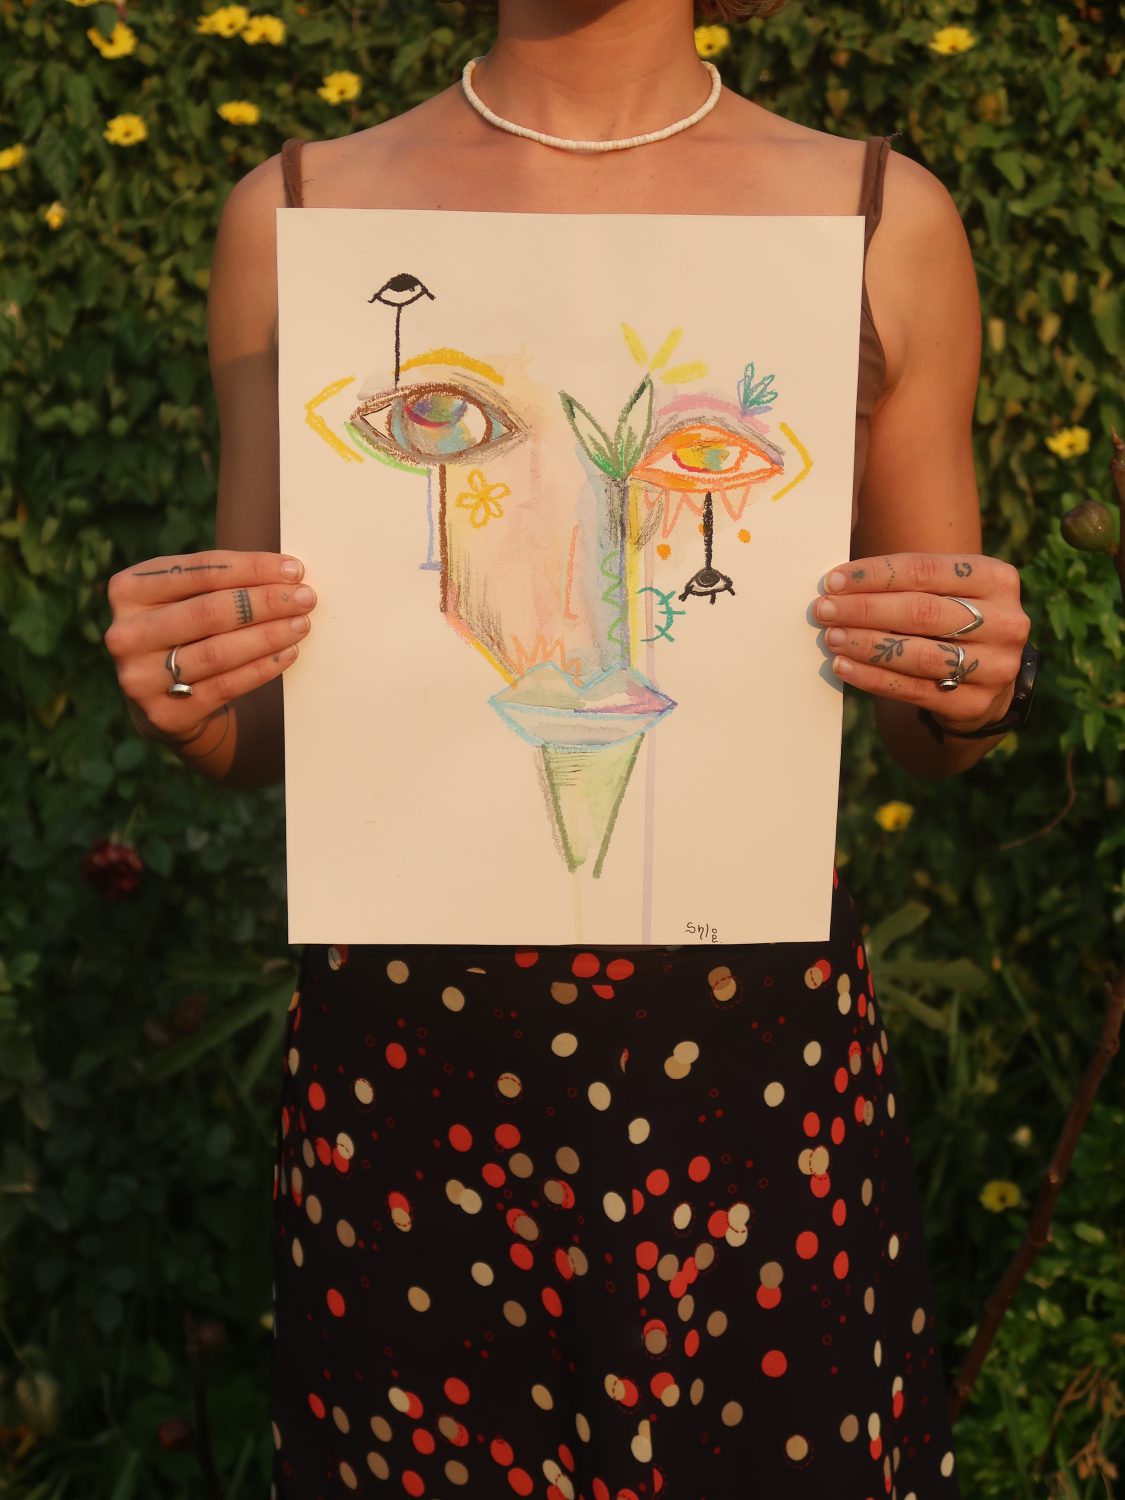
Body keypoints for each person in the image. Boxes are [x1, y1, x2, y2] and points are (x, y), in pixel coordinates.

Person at [103, 1, 1034, 1494]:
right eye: (442, 425)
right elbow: (278, 719)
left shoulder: (877, 219)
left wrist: (963, 679)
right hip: (410, 1083)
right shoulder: (297, 218)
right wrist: (198, 697)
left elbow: (931, 729)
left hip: (753, 1080)